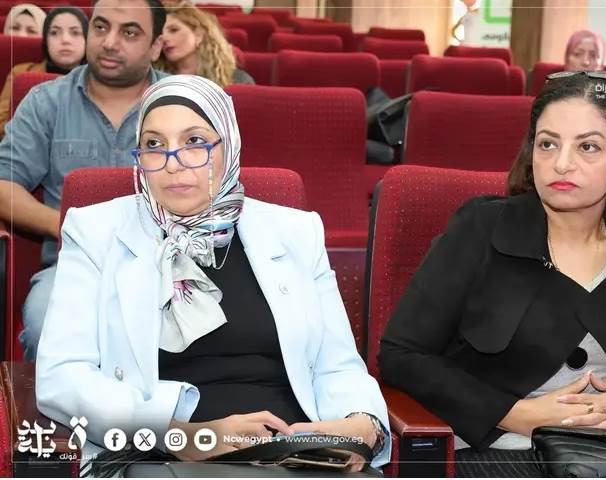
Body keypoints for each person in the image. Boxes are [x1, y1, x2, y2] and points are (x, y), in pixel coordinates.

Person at [35, 74, 390, 474]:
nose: (174, 163)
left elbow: (337, 365)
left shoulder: (295, 232)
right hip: (164, 455)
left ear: (229, 145)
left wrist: (363, 425)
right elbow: (63, 377)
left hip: (295, 453)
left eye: (194, 142)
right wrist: (183, 437)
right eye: (154, 145)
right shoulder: (96, 232)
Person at [379, 72, 606, 477]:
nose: (562, 163)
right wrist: (514, 414)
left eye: (588, 147)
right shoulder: (481, 229)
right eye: (548, 144)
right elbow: (401, 355)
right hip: (500, 446)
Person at [0, 0, 168, 362]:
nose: (109, 42)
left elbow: (220, 184)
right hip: (73, 267)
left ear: (156, 45)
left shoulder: (182, 102)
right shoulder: (46, 101)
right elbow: (4, 185)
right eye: (101, 27)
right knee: (46, 326)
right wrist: (67, 224)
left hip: (170, 267)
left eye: (129, 32)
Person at [0, 6, 88, 137]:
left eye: (75, 33)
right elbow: (2, 123)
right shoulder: (21, 72)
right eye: (54, 33)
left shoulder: (99, 80)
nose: (65, 40)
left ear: (87, 39)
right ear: (45, 40)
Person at [153, 0, 254, 87]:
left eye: (174, 30)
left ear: (198, 35)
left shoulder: (236, 79)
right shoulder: (155, 79)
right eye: (160, 33)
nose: (164, 38)